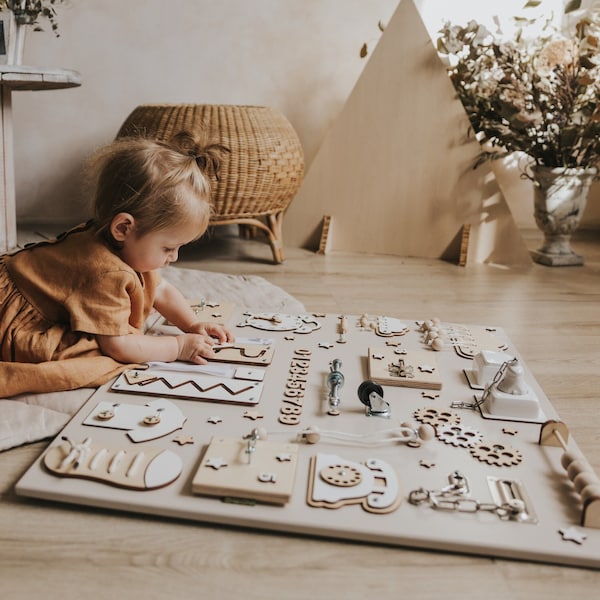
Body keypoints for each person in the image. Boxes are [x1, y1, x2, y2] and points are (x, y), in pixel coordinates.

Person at [0, 131, 235, 397]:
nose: (175, 257)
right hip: (8, 314)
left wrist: (192, 325)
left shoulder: (118, 243)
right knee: (88, 355)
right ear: (123, 228)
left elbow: (161, 290)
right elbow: (119, 346)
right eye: (168, 248)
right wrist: (178, 347)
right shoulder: (106, 272)